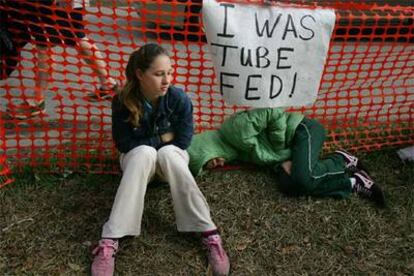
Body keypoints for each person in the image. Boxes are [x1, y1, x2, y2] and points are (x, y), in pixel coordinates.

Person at [91, 44, 230, 276]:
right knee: (145, 152)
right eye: (158, 74)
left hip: (170, 164)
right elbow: (124, 144)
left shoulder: (178, 99)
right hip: (137, 164)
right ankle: (110, 239)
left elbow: (184, 140)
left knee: (167, 153)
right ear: (139, 74)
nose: (166, 80)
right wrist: (162, 137)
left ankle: (209, 233)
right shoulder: (122, 100)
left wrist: (154, 142)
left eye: (169, 72)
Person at [188, 108, 385, 207]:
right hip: (289, 154)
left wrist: (278, 143)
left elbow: (273, 111)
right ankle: (352, 183)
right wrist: (281, 164)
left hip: (302, 130)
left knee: (301, 179)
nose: (217, 164)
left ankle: (340, 160)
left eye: (210, 160)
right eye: (209, 167)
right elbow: (264, 156)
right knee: (289, 186)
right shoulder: (235, 153)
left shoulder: (235, 130)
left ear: (208, 148)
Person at [4, 0, 117, 120]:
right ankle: (108, 84)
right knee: (75, 38)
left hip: (56, 4)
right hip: (55, 4)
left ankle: (37, 102)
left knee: (46, 44)